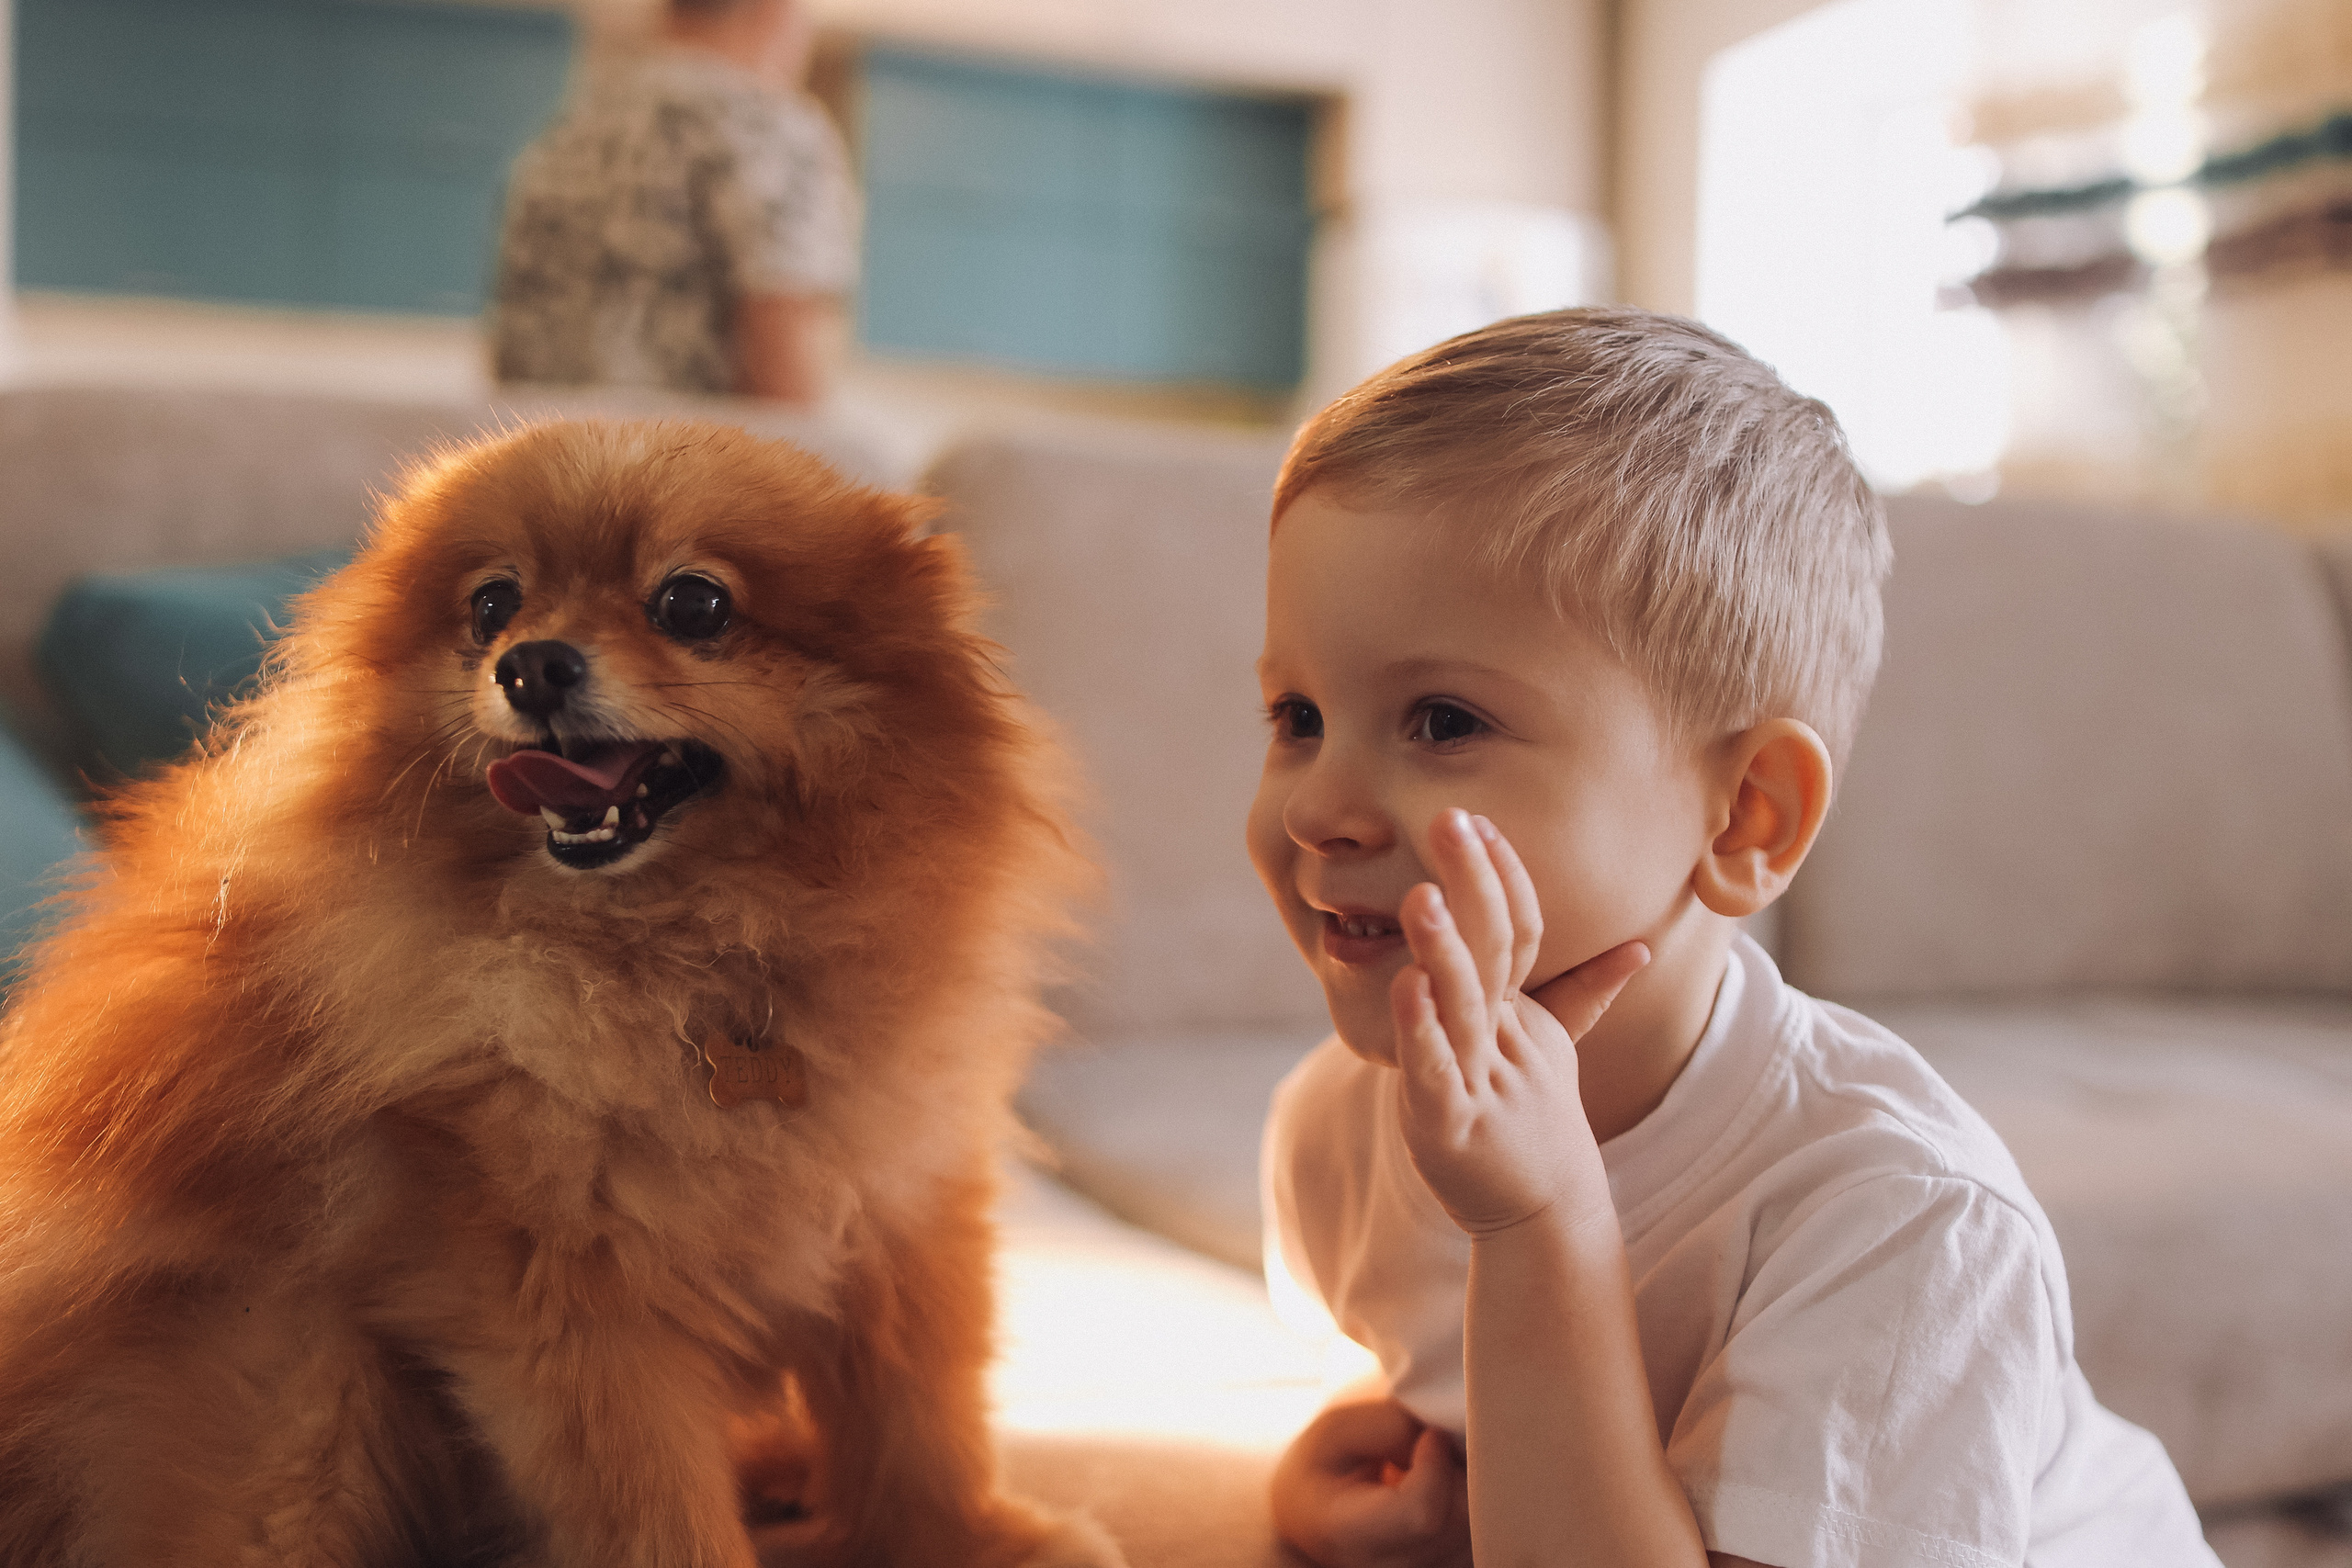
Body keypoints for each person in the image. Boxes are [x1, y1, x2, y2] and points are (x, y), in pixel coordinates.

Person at [1251, 308, 2220, 1567]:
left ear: (1746, 813)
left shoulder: (1902, 1220)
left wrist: (1540, 1222)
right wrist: (1310, 1489)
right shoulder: (1335, 1130)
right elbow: (1431, 1421)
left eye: (1440, 719)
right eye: (1297, 713)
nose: (1317, 806)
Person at [489, 0, 856, 404]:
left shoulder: (565, 134)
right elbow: (784, 369)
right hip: (686, 462)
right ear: (777, 9)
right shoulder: (772, 132)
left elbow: (510, 353)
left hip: (554, 460)